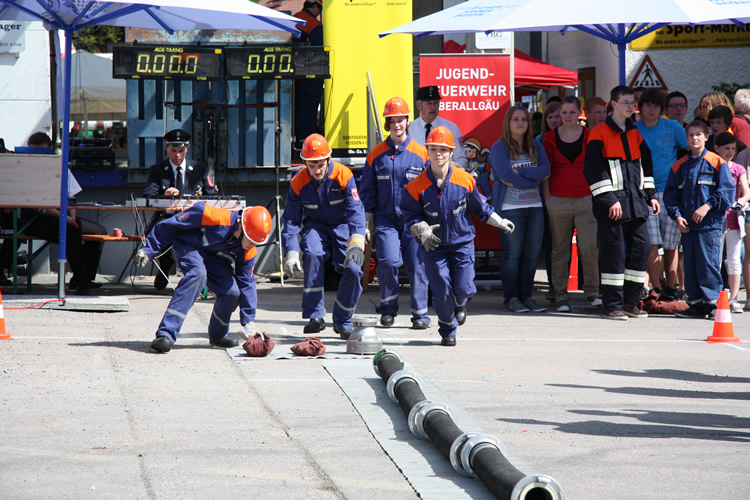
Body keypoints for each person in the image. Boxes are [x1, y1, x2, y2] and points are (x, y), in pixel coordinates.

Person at [401, 126, 514, 346]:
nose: (438, 154)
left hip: (462, 243)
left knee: (462, 288)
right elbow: (408, 214)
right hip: (433, 247)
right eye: (433, 149)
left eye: (443, 149)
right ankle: (447, 330)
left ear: (451, 152)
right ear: (427, 151)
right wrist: (420, 229)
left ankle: (461, 303)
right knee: (442, 290)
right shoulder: (416, 186)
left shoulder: (465, 180)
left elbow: (481, 208)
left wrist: (499, 222)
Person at [135, 204, 272, 353]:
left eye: (256, 242)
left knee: (231, 292)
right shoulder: (211, 215)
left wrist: (249, 322)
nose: (253, 245)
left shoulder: (249, 250)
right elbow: (171, 225)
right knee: (197, 275)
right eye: (251, 240)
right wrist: (149, 250)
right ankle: (166, 334)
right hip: (189, 247)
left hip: (215, 259)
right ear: (240, 227)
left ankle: (218, 335)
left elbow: (247, 283)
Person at [584, 85, 659, 320]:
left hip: (636, 203)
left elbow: (645, 166)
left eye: (632, 103)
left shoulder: (634, 133)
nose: (631, 106)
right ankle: (612, 305)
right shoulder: (598, 133)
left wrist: (651, 195)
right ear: (613, 105)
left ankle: (630, 302)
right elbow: (593, 171)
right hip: (612, 206)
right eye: (626, 102)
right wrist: (609, 200)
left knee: (641, 247)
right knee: (613, 253)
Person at [282, 133, 366, 339]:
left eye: (321, 164)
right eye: (312, 166)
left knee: (354, 268)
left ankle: (343, 319)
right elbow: (291, 220)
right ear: (304, 163)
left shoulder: (344, 175)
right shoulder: (297, 182)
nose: (317, 170)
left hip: (343, 224)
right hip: (315, 225)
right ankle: (315, 316)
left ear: (329, 159)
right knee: (311, 252)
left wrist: (357, 241)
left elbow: (356, 211)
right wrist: (291, 251)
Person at [360, 97, 430, 329]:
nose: (397, 125)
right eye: (392, 121)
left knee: (417, 264)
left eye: (400, 120)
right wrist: (365, 224)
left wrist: (429, 221)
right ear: (387, 123)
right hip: (386, 219)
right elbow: (367, 193)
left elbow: (429, 190)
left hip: (414, 220)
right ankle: (388, 308)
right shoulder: (376, 155)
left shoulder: (422, 154)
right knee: (388, 262)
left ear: (408, 121)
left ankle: (420, 314)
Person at [15, 132, 107, 295]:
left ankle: (83, 277)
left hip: (61, 215)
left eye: (43, 152)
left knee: (99, 233)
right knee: (71, 232)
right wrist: (65, 218)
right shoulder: (27, 170)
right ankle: (82, 283)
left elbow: (72, 196)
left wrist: (71, 216)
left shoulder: (60, 166)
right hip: (36, 219)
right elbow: (38, 207)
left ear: (50, 149)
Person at [664, 121, 734, 319]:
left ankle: (713, 304)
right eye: (690, 135)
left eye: (698, 135)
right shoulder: (679, 166)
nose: (694, 138)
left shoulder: (716, 162)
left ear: (706, 137)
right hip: (688, 227)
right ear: (686, 139)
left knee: (708, 264)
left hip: (709, 225)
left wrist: (707, 206)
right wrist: (676, 216)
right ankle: (695, 305)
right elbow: (670, 197)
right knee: (691, 265)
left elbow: (727, 192)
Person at [490, 105, 551, 313]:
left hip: (534, 209)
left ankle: (526, 297)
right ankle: (511, 298)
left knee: (532, 255)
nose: (520, 123)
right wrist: (532, 178)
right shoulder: (500, 147)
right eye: (515, 119)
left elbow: (546, 170)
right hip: (509, 209)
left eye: (524, 119)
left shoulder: (536, 146)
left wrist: (519, 176)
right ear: (508, 123)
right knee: (513, 254)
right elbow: (506, 176)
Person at [542, 96, 600, 312]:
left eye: (571, 112)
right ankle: (560, 295)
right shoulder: (549, 138)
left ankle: (592, 293)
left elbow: (597, 168)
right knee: (559, 250)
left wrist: (595, 197)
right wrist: (548, 199)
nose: (567, 117)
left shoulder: (591, 136)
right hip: (558, 199)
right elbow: (545, 173)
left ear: (579, 113)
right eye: (563, 113)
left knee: (589, 248)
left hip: (586, 199)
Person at [144, 128, 216, 290]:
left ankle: (191, 273)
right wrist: (165, 194)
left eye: (181, 151)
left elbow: (212, 195)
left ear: (187, 149)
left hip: (193, 218)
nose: (177, 155)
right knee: (161, 230)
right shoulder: (158, 169)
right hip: (168, 216)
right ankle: (166, 263)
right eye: (173, 151)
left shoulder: (199, 168)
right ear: (167, 149)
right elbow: (148, 195)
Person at [634, 89, 689, 298]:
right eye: (647, 105)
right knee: (651, 243)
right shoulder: (633, 129)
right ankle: (655, 288)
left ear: (662, 109)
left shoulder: (673, 127)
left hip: (671, 192)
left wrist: (680, 177)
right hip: (644, 192)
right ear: (641, 107)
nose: (651, 109)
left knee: (671, 244)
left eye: (656, 106)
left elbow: (689, 153)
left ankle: (670, 287)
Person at [712, 133, 749, 313]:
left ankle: (733, 298)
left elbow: (746, 191)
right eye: (726, 148)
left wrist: (742, 201)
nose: (730, 152)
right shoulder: (712, 166)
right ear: (716, 148)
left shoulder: (738, 168)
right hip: (715, 218)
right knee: (715, 259)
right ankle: (716, 295)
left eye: (733, 149)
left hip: (734, 218)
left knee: (734, 259)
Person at [409, 85, 468, 170]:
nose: (433, 107)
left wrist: (448, 171)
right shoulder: (410, 129)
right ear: (418, 106)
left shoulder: (451, 128)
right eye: (429, 103)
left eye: (436, 103)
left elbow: (461, 159)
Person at [291, 1, 324, 149]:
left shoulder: (295, 19)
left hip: (294, 73)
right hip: (312, 73)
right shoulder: (314, 25)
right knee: (308, 109)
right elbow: (321, 48)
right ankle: (307, 143)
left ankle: (298, 141)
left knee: (296, 107)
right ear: (316, 6)